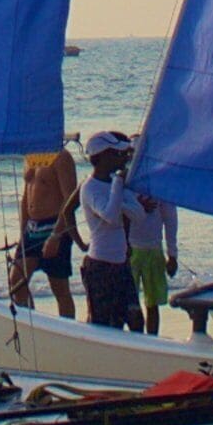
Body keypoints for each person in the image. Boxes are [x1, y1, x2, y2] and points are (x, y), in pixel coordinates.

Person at [73, 132, 146, 329]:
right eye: (117, 154)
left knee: (136, 319)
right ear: (103, 157)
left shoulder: (119, 184)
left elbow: (139, 216)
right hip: (100, 267)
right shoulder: (90, 187)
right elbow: (111, 216)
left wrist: (122, 199)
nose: (123, 158)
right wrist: (118, 189)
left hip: (121, 265)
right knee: (103, 324)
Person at [7, 147, 79, 312]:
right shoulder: (30, 156)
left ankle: (66, 330)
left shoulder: (61, 157)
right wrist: (22, 233)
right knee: (16, 281)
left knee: (59, 288)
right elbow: (26, 197)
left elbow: (70, 199)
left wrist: (56, 235)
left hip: (54, 226)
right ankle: (30, 322)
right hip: (32, 228)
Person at [124, 162, 180, 333]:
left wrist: (173, 255)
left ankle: (152, 339)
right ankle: (134, 337)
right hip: (130, 249)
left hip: (153, 249)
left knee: (153, 303)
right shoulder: (125, 182)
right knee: (129, 302)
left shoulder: (159, 184)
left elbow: (170, 220)